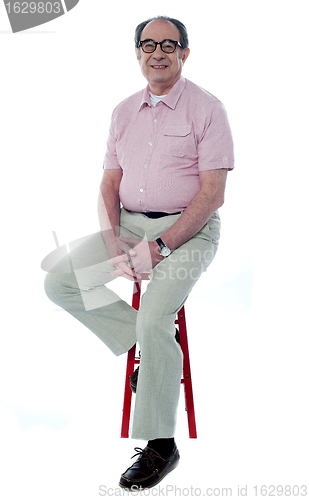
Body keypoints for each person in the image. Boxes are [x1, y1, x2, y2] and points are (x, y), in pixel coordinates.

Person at [44, 15, 234, 491]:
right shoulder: (123, 110)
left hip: (187, 231)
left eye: (169, 44)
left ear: (185, 54)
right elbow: (109, 182)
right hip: (129, 222)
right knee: (61, 281)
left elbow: (212, 194)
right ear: (137, 55)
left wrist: (161, 246)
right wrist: (112, 238)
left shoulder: (208, 108)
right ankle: (149, 358)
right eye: (147, 44)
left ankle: (161, 445)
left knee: (155, 318)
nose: (158, 52)